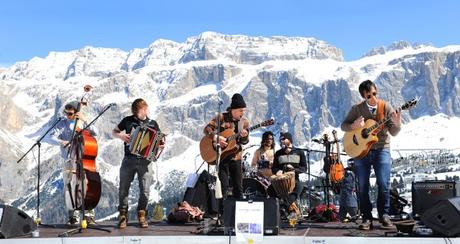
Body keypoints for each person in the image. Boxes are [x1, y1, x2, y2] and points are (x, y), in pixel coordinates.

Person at [340, 80, 401, 230]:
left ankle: (384, 216)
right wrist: (353, 126)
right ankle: (367, 218)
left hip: (382, 149)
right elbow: (344, 126)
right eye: (369, 96)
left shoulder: (385, 107)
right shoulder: (357, 109)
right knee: (362, 186)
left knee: (384, 184)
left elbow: (393, 132)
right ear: (363, 96)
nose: (373, 97)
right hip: (361, 152)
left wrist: (397, 123)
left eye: (374, 93)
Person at [112, 98, 164, 229]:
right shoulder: (128, 120)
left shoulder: (153, 124)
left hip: (145, 162)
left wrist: (161, 145)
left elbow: (159, 141)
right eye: (138, 111)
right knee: (123, 189)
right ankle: (123, 216)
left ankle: (142, 215)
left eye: (142, 110)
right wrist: (121, 136)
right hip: (129, 159)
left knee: (145, 191)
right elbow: (114, 132)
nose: (141, 112)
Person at [47, 101, 97, 225]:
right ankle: (72, 214)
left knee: (87, 185)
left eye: (70, 113)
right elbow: (51, 137)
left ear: (76, 113)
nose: (67, 115)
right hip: (69, 160)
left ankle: (88, 213)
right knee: (69, 186)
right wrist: (62, 142)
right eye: (66, 113)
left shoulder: (83, 122)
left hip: (83, 159)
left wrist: (85, 121)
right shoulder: (62, 124)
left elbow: (96, 132)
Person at [203, 93, 249, 201]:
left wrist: (244, 136)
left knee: (238, 188)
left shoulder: (244, 122)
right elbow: (207, 129)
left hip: (236, 157)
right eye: (241, 110)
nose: (243, 113)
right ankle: (223, 215)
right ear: (234, 110)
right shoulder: (221, 117)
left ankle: (237, 215)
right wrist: (215, 137)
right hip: (222, 157)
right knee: (222, 188)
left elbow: (245, 141)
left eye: (244, 110)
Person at [272, 132, 306, 217]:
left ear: (289, 140)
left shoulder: (299, 152)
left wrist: (294, 170)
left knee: (299, 187)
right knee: (270, 190)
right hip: (280, 181)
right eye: (280, 140)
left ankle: (284, 206)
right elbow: (274, 168)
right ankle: (281, 210)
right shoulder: (278, 153)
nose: (281, 141)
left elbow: (304, 168)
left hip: (294, 179)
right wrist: (277, 171)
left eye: (284, 139)